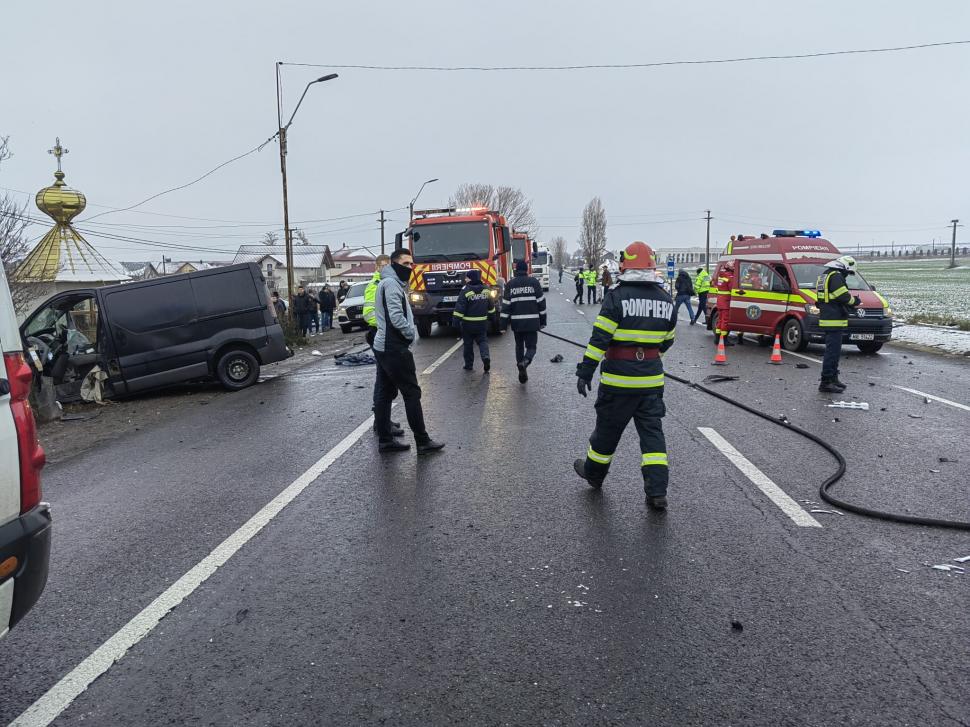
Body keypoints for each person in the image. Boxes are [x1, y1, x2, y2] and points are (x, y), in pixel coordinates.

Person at [573, 241, 677, 510]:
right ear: (651, 267)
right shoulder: (666, 299)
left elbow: (600, 339)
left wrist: (586, 371)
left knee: (607, 432)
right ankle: (657, 492)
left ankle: (594, 475)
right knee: (653, 437)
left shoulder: (616, 297)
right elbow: (668, 340)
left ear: (625, 266)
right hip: (651, 382)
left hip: (618, 382)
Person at [373, 248, 445, 454]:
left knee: (384, 393)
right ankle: (422, 441)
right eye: (405, 263)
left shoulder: (389, 283)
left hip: (384, 345)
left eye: (411, 263)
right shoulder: (391, 284)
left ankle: (386, 440)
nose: (410, 267)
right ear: (394, 264)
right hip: (393, 346)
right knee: (412, 393)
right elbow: (396, 317)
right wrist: (410, 333)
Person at [362, 256, 402, 437]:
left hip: (385, 334)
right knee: (385, 381)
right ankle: (381, 422)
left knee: (386, 380)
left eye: (388, 265)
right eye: (383, 265)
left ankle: (383, 419)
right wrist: (386, 326)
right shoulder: (375, 285)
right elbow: (369, 314)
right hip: (380, 334)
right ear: (377, 267)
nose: (386, 268)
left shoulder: (389, 282)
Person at [816, 256, 861, 393]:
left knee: (834, 352)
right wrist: (855, 301)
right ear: (845, 268)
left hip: (829, 318)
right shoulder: (836, 276)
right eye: (848, 272)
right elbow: (843, 296)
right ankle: (826, 382)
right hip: (834, 320)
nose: (847, 275)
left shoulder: (826, 275)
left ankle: (833, 378)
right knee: (832, 353)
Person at [501, 259, 547, 382]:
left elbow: (505, 306)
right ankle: (525, 362)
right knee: (531, 347)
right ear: (526, 270)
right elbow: (541, 304)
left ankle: (521, 369)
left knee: (519, 347)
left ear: (516, 270)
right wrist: (543, 321)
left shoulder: (510, 284)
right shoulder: (534, 282)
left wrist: (503, 325)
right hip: (532, 322)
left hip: (517, 323)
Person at [453, 269, 494, 372]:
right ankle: (485, 357)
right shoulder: (486, 289)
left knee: (468, 344)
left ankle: (469, 365)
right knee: (483, 341)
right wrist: (493, 318)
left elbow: (460, 308)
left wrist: (456, 322)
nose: (465, 279)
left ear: (471, 278)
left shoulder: (465, 290)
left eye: (467, 277)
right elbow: (491, 306)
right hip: (482, 323)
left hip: (468, 324)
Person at [713, 262, 735, 346]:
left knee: (720, 320)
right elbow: (732, 289)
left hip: (720, 301)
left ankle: (717, 338)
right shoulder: (730, 277)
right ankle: (724, 339)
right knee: (725, 321)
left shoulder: (721, 275)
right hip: (726, 301)